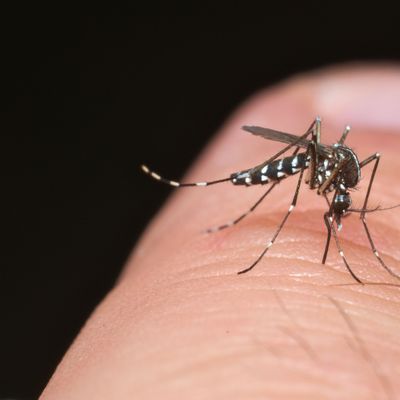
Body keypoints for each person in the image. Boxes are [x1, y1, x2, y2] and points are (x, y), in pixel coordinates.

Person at [41, 65, 400, 399]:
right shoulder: (337, 175)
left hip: (321, 164)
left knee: (326, 148)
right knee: (312, 143)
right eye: (344, 208)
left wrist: (361, 217)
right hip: (301, 161)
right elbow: (317, 152)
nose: (340, 213)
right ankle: (247, 207)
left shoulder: (350, 178)